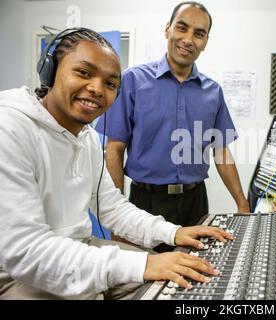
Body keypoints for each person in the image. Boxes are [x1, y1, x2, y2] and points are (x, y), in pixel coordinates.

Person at [0, 28, 233, 300]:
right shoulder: (10, 129)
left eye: (110, 84)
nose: (97, 89)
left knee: (179, 282)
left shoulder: (85, 139)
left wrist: (173, 233)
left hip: (82, 247)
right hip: (17, 272)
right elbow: (26, 252)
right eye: (84, 73)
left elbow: (112, 207)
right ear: (50, 71)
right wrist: (144, 264)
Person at [95, 2, 250, 242]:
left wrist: (242, 204)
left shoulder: (213, 92)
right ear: (168, 29)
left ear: (206, 41)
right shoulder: (132, 81)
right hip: (145, 204)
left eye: (199, 33)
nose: (188, 39)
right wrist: (118, 221)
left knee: (197, 275)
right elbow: (114, 151)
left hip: (195, 203)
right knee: (141, 278)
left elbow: (221, 151)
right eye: (182, 28)